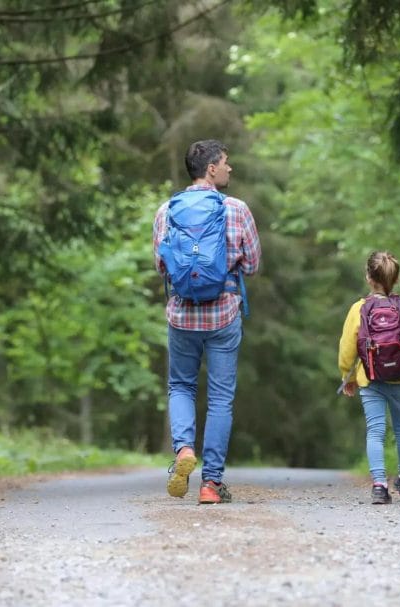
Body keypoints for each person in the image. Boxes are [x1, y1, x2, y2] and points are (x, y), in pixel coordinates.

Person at [152, 139, 261, 504]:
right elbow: (254, 264)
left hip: (182, 315)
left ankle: (183, 449)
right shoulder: (236, 209)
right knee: (220, 399)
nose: (230, 169)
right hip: (223, 314)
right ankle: (211, 484)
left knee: (180, 386)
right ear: (211, 169)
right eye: (226, 163)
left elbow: (161, 265)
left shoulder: (167, 211)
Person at [338, 251, 400, 504]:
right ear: (397, 278)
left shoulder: (359, 309)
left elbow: (347, 350)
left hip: (371, 380)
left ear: (369, 277)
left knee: (375, 431)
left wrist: (347, 376)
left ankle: (379, 485)